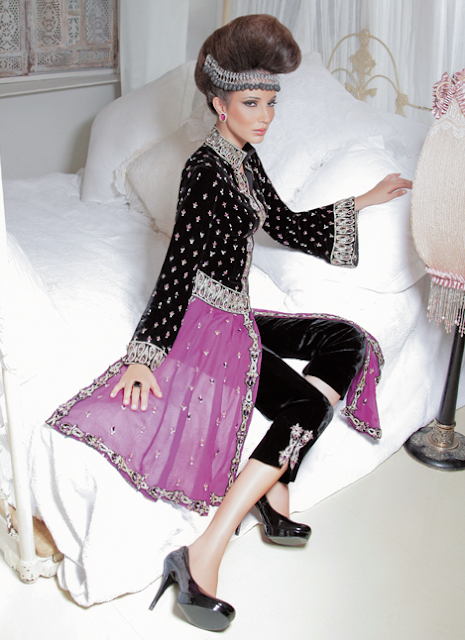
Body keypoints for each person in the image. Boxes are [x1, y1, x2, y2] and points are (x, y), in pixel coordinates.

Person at [46, 15, 411, 632]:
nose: (265, 116)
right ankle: (203, 551)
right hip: (204, 324)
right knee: (305, 407)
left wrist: (361, 201)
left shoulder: (245, 158)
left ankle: (273, 485)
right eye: (251, 103)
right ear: (219, 104)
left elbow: (285, 223)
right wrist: (145, 354)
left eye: (271, 101)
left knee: (346, 340)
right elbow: (176, 267)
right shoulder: (205, 170)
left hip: (236, 313)